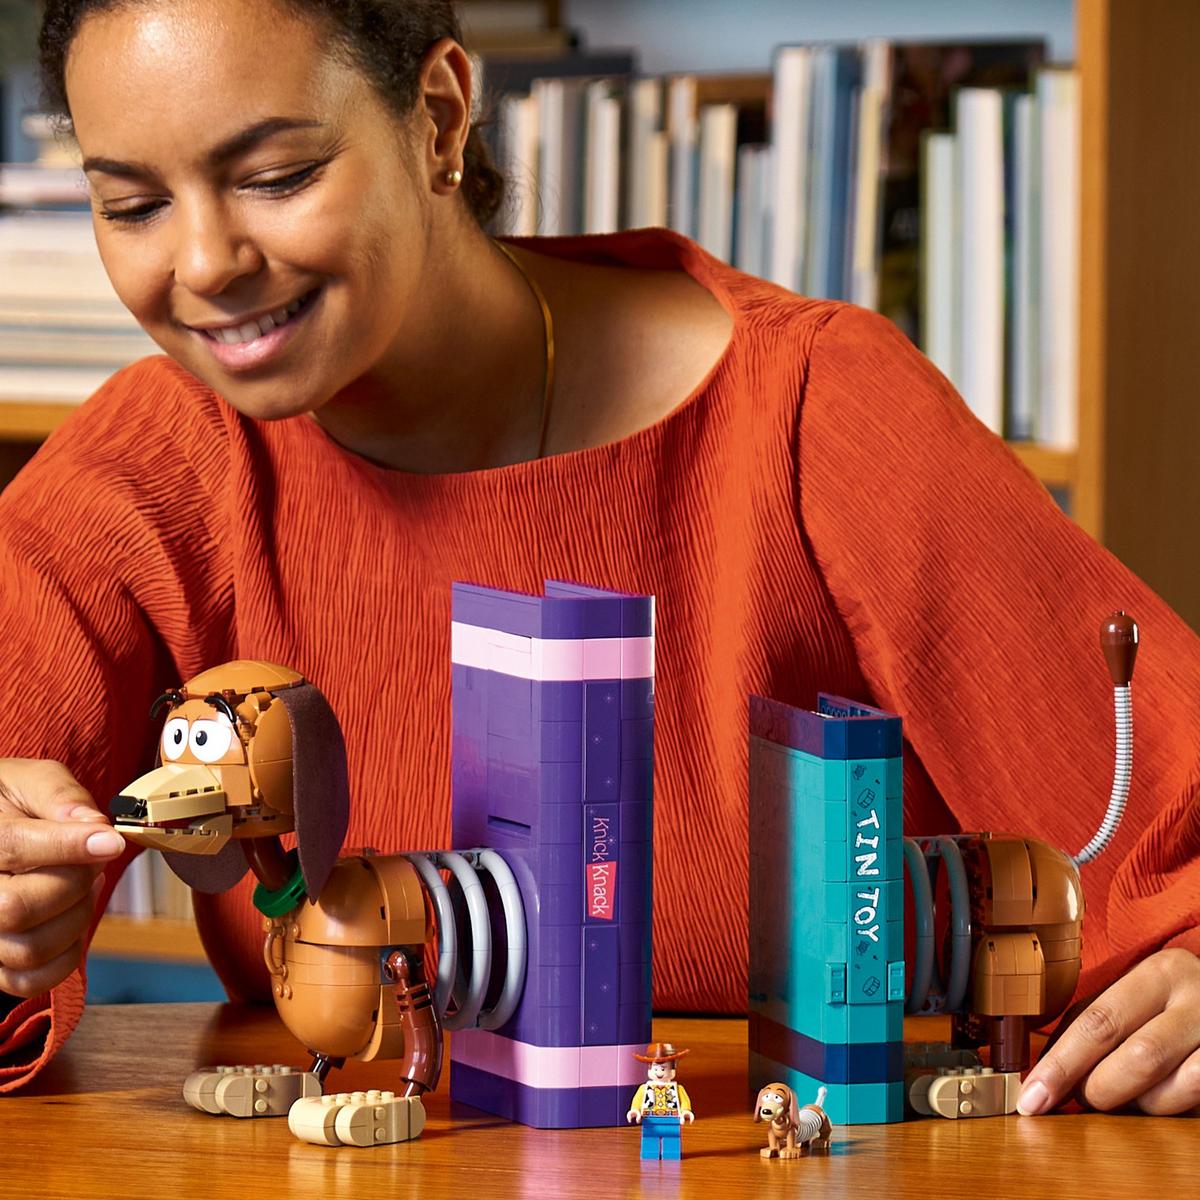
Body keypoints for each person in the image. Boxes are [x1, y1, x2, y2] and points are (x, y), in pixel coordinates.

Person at [0, 0, 1197, 1117]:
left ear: (438, 119)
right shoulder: (152, 465)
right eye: (132, 205)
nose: (204, 262)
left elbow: (1165, 811)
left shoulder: (815, 410)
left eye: (277, 177)